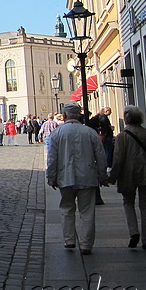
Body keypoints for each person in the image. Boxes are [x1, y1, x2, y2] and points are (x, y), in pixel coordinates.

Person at [46, 103, 108, 255]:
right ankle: (86, 244)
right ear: (79, 116)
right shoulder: (90, 132)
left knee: (67, 208)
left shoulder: (57, 133)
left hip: (65, 176)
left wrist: (51, 177)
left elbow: (52, 158)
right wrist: (102, 176)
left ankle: (69, 240)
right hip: (87, 176)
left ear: (65, 116)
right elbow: (100, 156)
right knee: (87, 211)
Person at [107, 106, 146, 251]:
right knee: (145, 206)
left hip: (128, 174)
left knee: (128, 203)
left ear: (127, 118)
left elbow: (118, 158)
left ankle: (134, 232)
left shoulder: (122, 136)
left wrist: (113, 176)